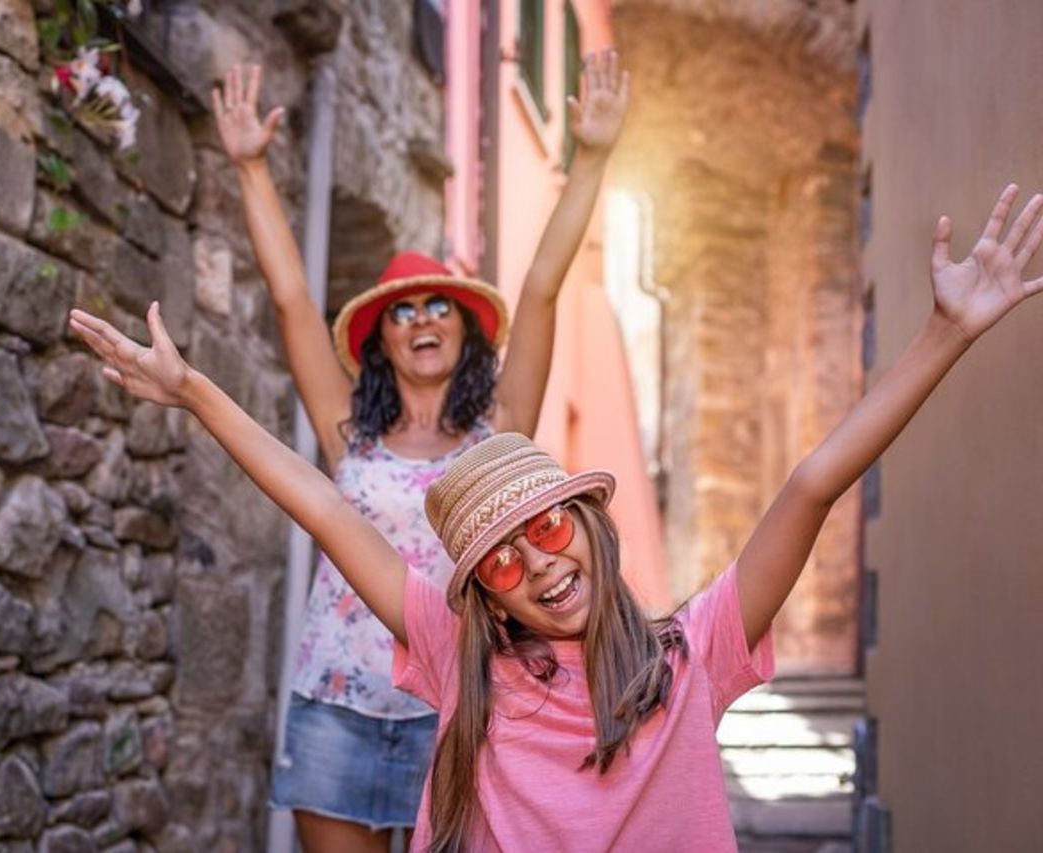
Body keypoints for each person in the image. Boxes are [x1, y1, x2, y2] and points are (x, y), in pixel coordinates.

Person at [72, 183, 1043, 850]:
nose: (533, 563)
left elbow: (812, 483)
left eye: (543, 527)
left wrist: (942, 335)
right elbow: (327, 510)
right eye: (496, 561)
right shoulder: (459, 659)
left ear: (587, 524)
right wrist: (195, 392)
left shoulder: (692, 652)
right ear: (481, 601)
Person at [204, 52, 630, 849]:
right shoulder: (349, 431)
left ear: (465, 328)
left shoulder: (497, 431)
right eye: (402, 313)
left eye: (440, 305)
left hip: (465, 705)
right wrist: (252, 167)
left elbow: (540, 285)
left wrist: (594, 155)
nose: (422, 319)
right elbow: (293, 296)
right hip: (338, 703)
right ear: (380, 341)